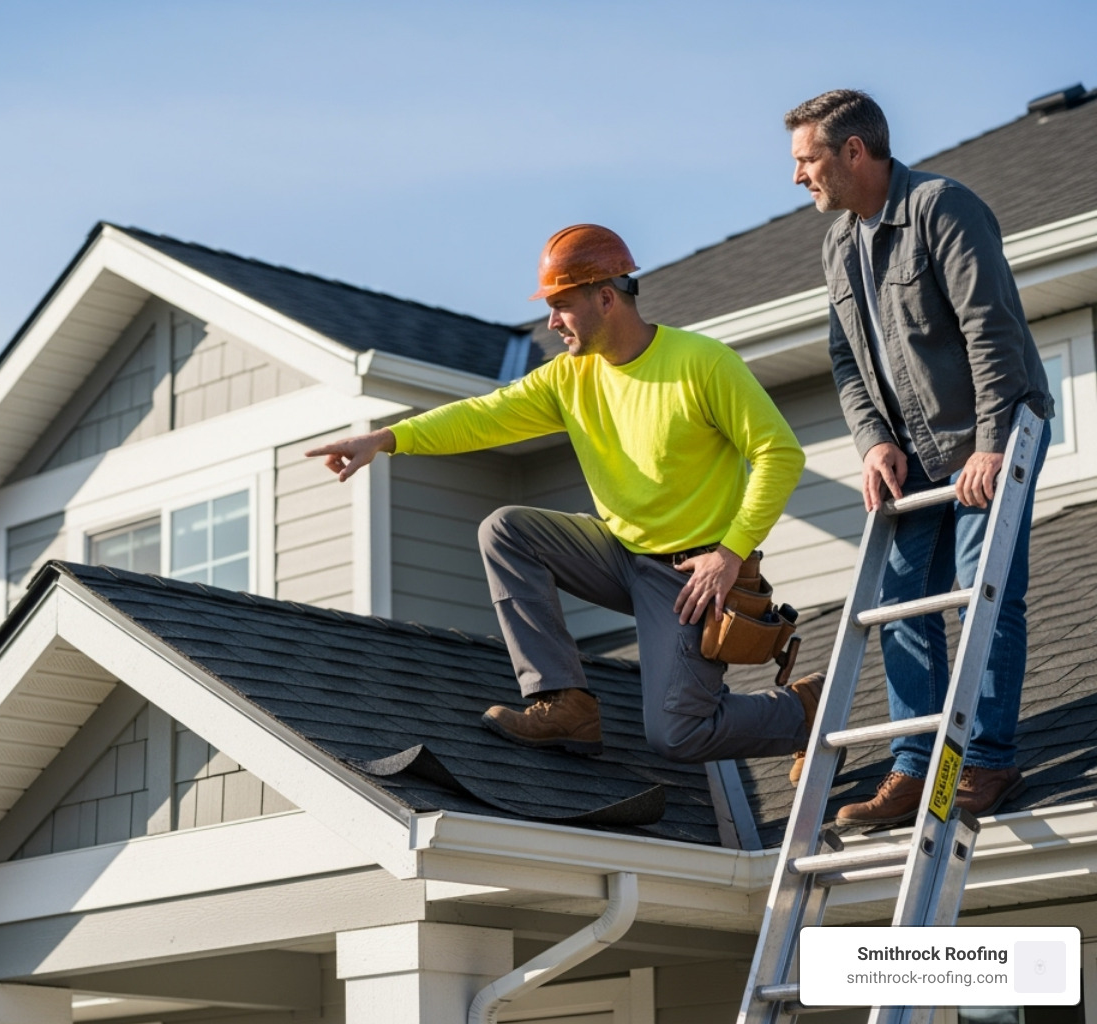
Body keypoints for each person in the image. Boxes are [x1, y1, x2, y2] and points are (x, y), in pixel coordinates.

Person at [307, 225, 823, 764]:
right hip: (618, 552)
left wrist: (731, 552)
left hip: (689, 575)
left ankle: (803, 710)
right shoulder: (568, 378)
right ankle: (565, 703)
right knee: (505, 530)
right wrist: (387, 439)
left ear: (606, 296)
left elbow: (779, 454)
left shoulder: (702, 363)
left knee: (677, 734)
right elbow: (483, 417)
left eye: (561, 306)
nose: (551, 322)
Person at [786, 89, 1054, 825]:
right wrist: (873, 441)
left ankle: (988, 763)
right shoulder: (839, 245)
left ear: (853, 152)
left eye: (807, 160)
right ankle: (915, 768)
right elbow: (847, 363)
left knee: (984, 592)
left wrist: (993, 446)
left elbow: (991, 332)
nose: (798, 176)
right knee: (900, 603)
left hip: (992, 435)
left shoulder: (944, 208)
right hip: (914, 454)